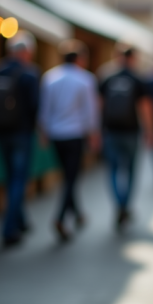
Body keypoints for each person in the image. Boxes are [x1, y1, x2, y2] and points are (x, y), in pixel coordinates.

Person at [0, 30, 39, 247]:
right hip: (22, 134)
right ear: (27, 52)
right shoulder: (29, 74)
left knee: (11, 178)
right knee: (18, 179)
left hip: (1, 133)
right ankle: (9, 229)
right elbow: (35, 106)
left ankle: (20, 220)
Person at [39, 40, 99, 242]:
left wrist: (43, 131)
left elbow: (45, 109)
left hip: (56, 134)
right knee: (71, 178)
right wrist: (93, 134)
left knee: (68, 175)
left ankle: (78, 213)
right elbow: (90, 111)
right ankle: (60, 217)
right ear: (80, 58)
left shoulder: (50, 77)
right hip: (75, 135)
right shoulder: (85, 79)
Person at [99, 43, 153, 229]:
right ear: (133, 58)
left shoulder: (107, 77)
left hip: (111, 131)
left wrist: (97, 131)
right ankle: (125, 204)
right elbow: (145, 108)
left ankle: (119, 203)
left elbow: (99, 106)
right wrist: (150, 131)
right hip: (131, 132)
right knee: (130, 171)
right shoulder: (137, 78)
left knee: (113, 170)